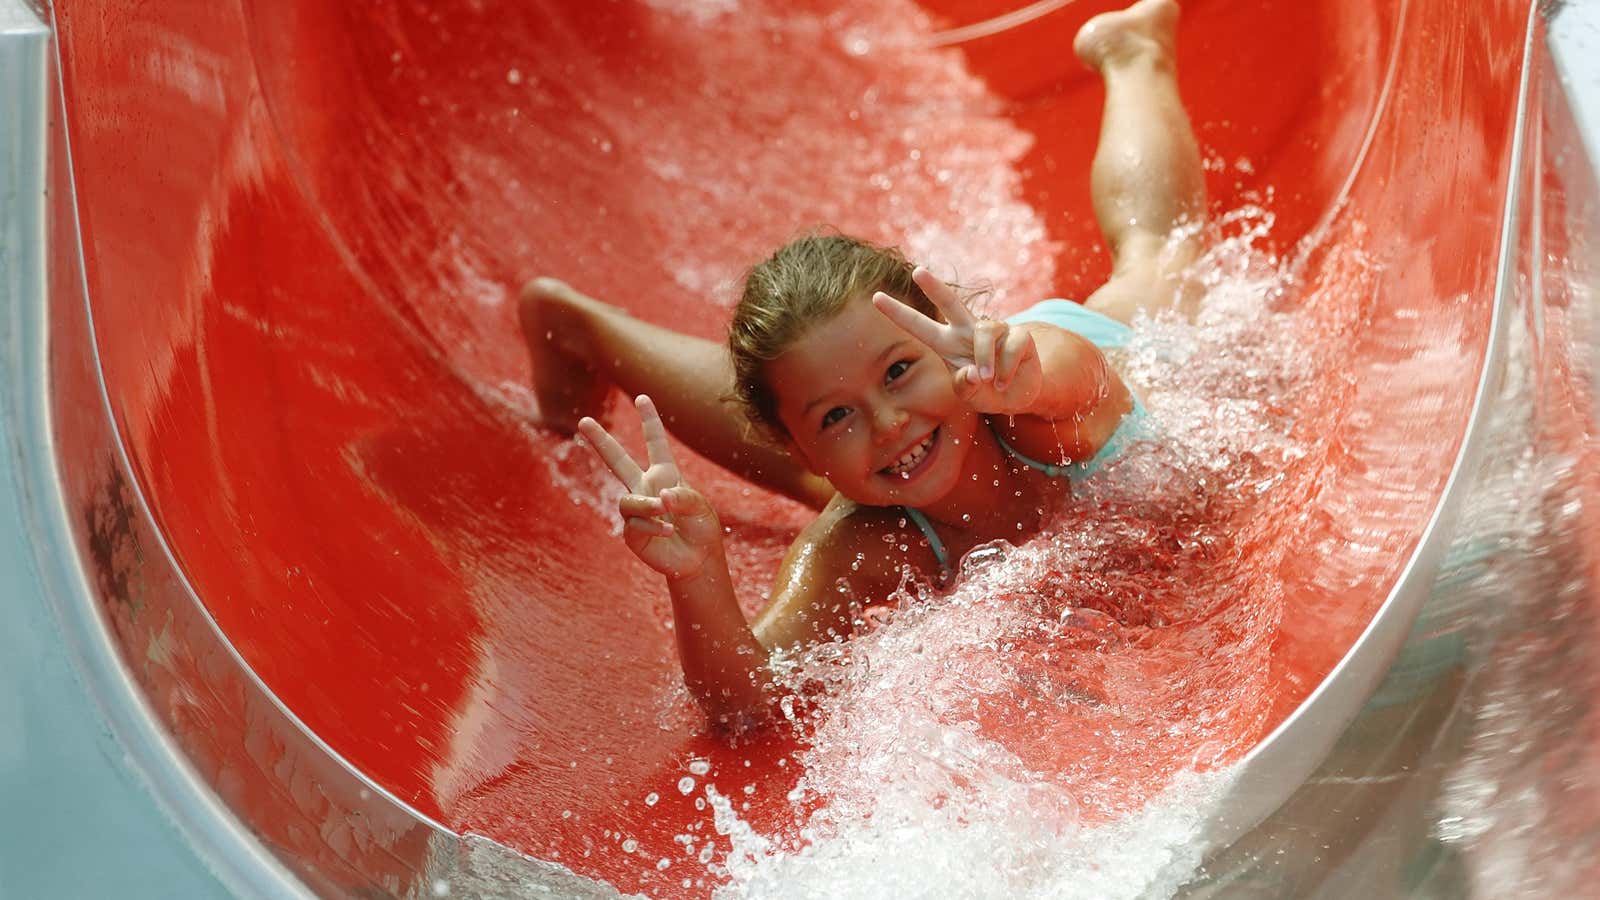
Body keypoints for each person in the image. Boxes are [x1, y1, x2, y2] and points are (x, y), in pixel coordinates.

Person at [518, 0, 1205, 729]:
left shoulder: (1031, 418)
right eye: (840, 416)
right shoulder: (863, 543)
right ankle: (584, 328)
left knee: (1159, 256)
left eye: (900, 371)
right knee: (834, 447)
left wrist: (1025, 379)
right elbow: (747, 705)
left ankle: (1130, 53)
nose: (884, 420)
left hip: (1024, 369)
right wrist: (699, 579)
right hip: (912, 429)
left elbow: (1081, 375)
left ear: (938, 334)